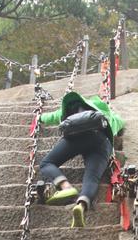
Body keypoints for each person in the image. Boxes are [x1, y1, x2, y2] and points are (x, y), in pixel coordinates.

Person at [37, 91, 124, 228]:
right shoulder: (106, 112)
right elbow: (120, 124)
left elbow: (52, 117)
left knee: (47, 163)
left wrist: (40, 117)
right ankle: (81, 205)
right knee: (92, 177)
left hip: (75, 136)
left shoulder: (75, 107)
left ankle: (66, 187)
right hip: (101, 140)